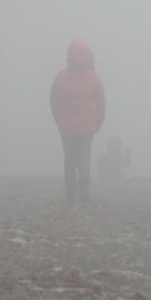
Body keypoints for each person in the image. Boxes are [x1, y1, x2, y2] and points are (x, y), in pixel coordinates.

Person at [48, 38, 106, 201]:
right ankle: (84, 190)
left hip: (66, 125)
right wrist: (98, 121)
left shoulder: (61, 77)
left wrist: (58, 119)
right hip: (87, 125)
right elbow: (101, 103)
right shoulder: (93, 77)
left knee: (69, 156)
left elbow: (53, 100)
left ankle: (71, 191)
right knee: (84, 156)